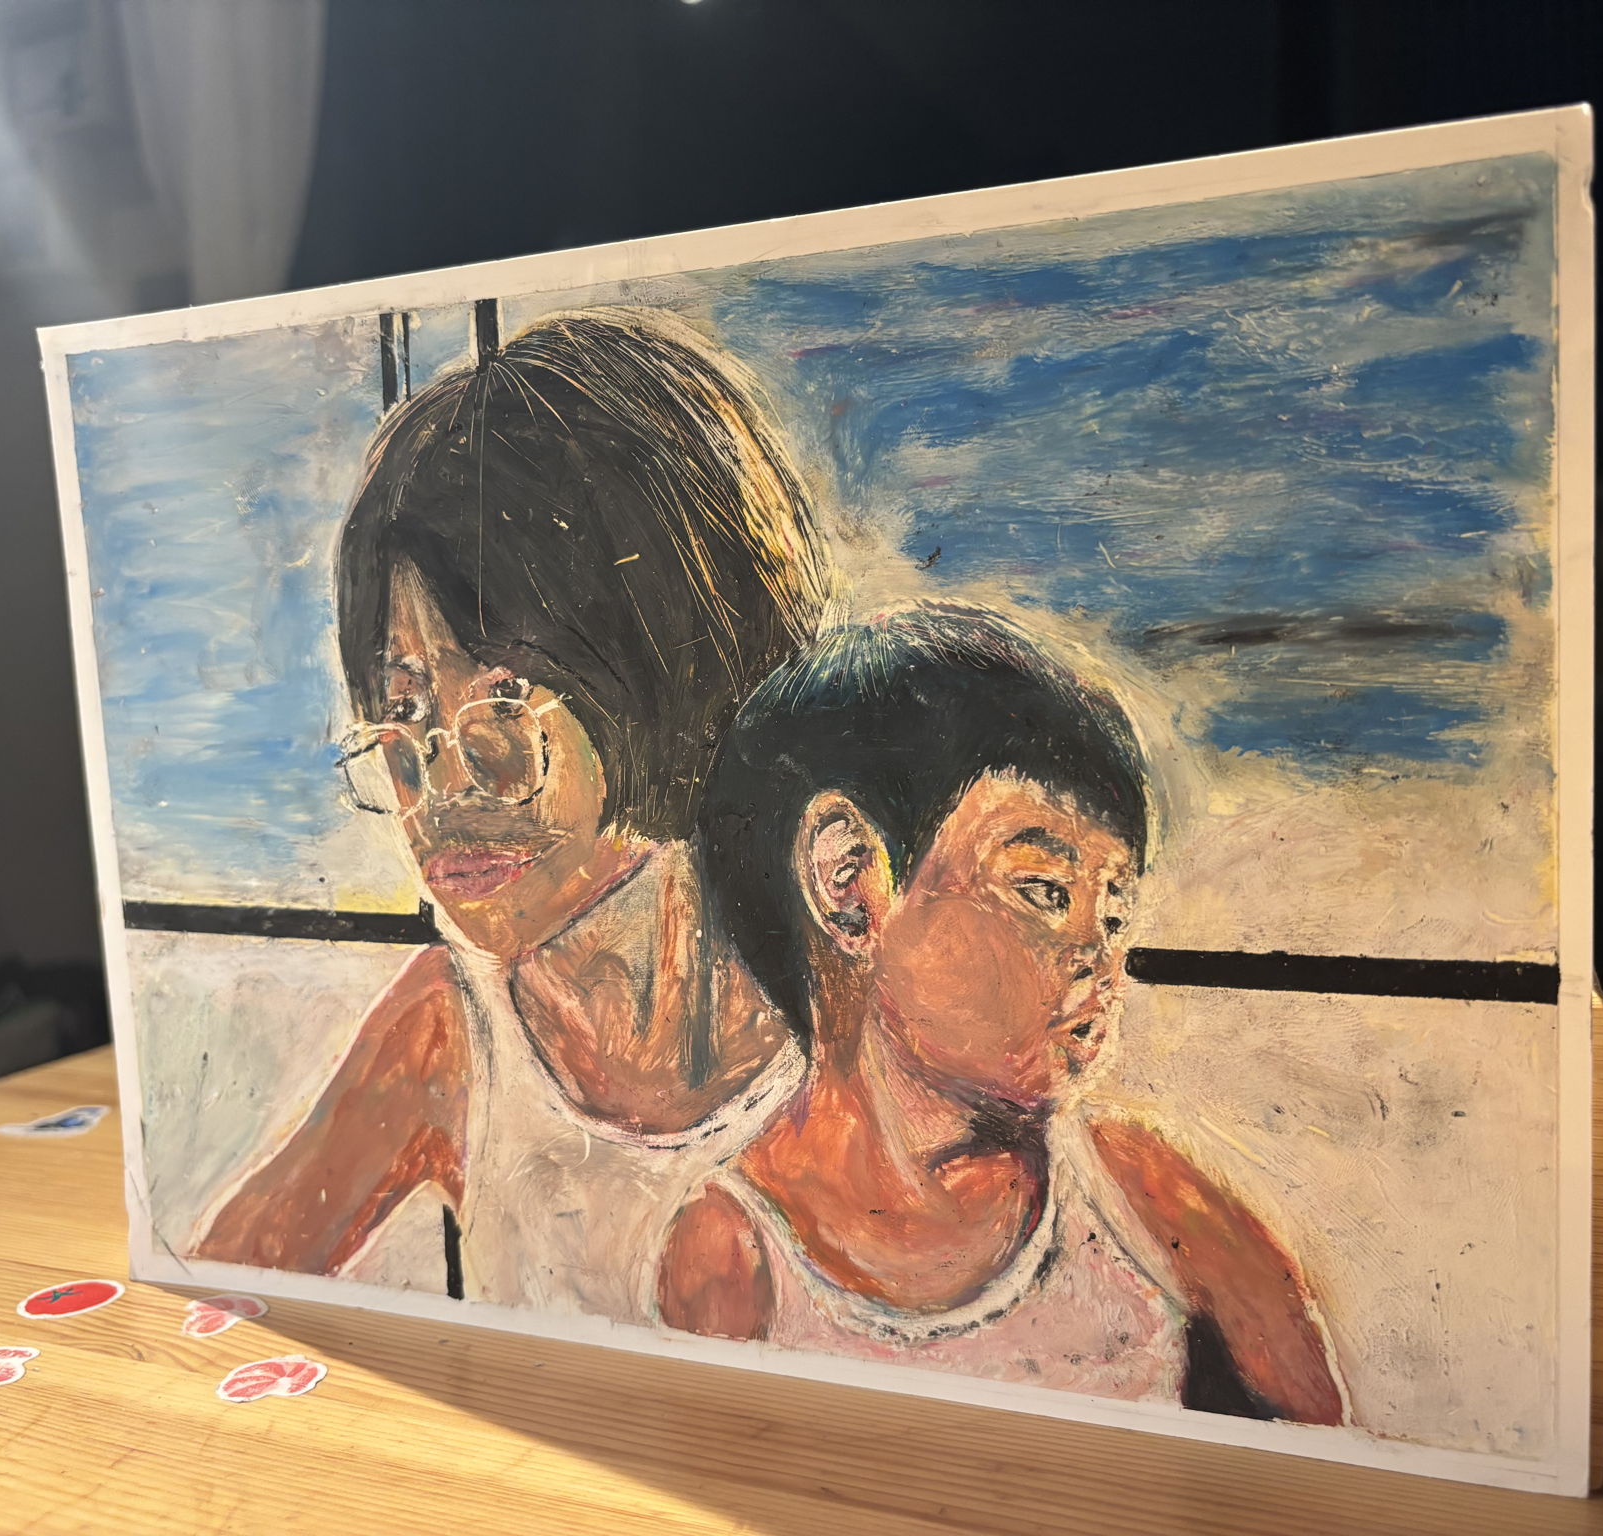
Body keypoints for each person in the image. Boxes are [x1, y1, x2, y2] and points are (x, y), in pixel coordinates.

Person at [193, 308, 830, 1295]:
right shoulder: (449, 1033)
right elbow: (223, 1281)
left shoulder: (847, 1016)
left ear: (659, 666)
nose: (445, 783)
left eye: (502, 697)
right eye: (403, 707)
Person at [656, 608, 1345, 1424]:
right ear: (848, 883)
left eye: (1113, 915)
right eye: (1043, 892)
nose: (1096, 956)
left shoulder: (1143, 1201)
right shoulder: (736, 1257)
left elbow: (1318, 1451)